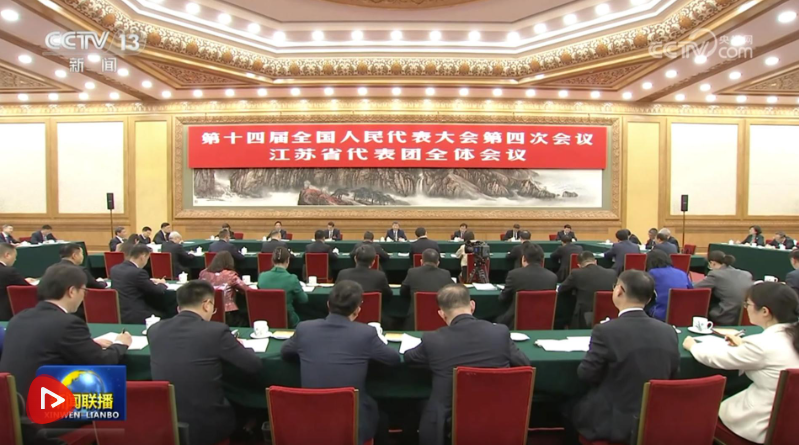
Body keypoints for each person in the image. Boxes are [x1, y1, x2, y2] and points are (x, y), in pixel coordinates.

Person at [404, 284, 530, 445]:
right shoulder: (499, 332)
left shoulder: (433, 339)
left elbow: (409, 358)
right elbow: (524, 363)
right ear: (472, 305)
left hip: (449, 421)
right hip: (498, 416)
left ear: (441, 314)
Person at [280, 280, 401, 445]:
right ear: (357, 310)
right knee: (381, 416)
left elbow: (285, 353)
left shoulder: (304, 328)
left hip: (309, 419)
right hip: (351, 423)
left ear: (328, 305)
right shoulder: (366, 333)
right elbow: (393, 359)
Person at [570, 270, 680, 444]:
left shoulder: (605, 331)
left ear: (619, 290)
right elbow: (673, 374)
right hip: (655, 419)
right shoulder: (669, 331)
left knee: (568, 406)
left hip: (613, 422)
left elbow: (587, 374)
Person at [0, 263, 131, 408]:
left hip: (11, 407)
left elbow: (47, 345)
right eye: (84, 290)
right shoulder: (68, 324)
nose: (84, 296)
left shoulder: (18, 318)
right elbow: (102, 362)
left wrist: (89, 343)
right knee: (117, 396)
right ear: (72, 291)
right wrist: (120, 344)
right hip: (46, 408)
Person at [148, 280, 262, 445]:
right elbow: (253, 365)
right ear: (207, 305)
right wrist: (242, 347)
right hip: (207, 426)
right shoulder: (216, 331)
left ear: (179, 308)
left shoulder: (154, 330)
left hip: (167, 422)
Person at [684, 282, 799, 444]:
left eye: (748, 304)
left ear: (765, 311)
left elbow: (717, 357)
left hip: (761, 423)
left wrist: (693, 346)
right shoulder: (788, 337)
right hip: (792, 422)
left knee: (696, 409)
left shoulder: (762, 345)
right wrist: (743, 345)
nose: (746, 308)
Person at [497, 243, 558, 328]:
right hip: (543, 322)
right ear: (542, 260)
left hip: (515, 323)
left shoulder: (514, 275)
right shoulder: (552, 277)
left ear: (523, 259)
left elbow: (503, 299)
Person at [557, 251, 617, 329]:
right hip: (608, 315)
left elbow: (561, 289)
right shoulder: (612, 273)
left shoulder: (576, 273)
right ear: (595, 261)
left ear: (579, 265)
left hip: (584, 317)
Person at [110, 244, 168, 324]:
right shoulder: (139, 272)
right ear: (143, 256)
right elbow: (156, 291)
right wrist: (162, 284)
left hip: (119, 312)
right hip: (136, 313)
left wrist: (148, 281)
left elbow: (131, 282)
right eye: (147, 258)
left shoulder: (115, 269)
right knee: (167, 312)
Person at [694, 251, 752, 326]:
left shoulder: (715, 274)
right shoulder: (746, 274)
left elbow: (695, 287)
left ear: (712, 263)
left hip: (725, 316)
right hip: (746, 317)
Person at [400, 248, 453, 330]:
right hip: (441, 320)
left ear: (421, 261)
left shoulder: (412, 272)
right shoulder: (446, 274)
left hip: (415, 321)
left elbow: (403, 292)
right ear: (438, 263)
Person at [257, 247, 308, 328]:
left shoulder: (262, 276)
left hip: (265, 319)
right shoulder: (292, 279)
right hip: (288, 320)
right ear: (288, 261)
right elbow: (303, 299)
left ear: (272, 260)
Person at [337, 245, 392, 311]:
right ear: (373, 261)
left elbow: (335, 294)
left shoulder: (343, 274)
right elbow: (388, 296)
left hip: (347, 313)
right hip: (372, 313)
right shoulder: (380, 276)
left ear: (355, 259)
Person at [199, 251, 249, 323]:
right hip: (227, 313)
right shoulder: (230, 275)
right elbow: (247, 291)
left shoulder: (203, 273)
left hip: (206, 310)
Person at [645, 250, 692, 322]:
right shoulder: (682, 273)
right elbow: (691, 291)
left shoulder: (651, 273)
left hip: (659, 315)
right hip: (683, 314)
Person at [0, 243, 34, 321]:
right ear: (7, 255)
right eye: (15, 256)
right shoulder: (9, 272)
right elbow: (29, 289)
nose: (15, 259)